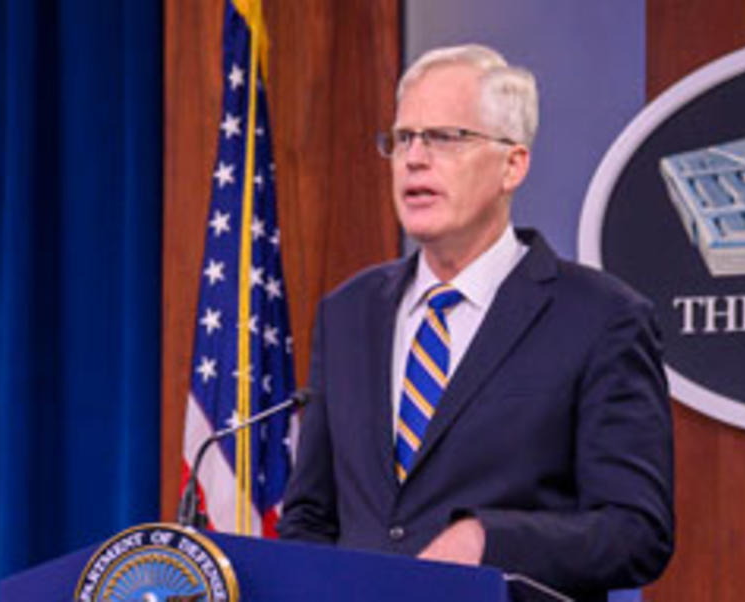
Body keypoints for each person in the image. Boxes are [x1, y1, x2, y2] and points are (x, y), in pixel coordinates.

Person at [276, 44, 674, 600]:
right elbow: (311, 517)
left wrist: (488, 538)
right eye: (403, 138)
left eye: (444, 138)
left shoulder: (600, 318)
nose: (414, 158)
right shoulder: (348, 311)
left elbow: (637, 531)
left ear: (513, 164)